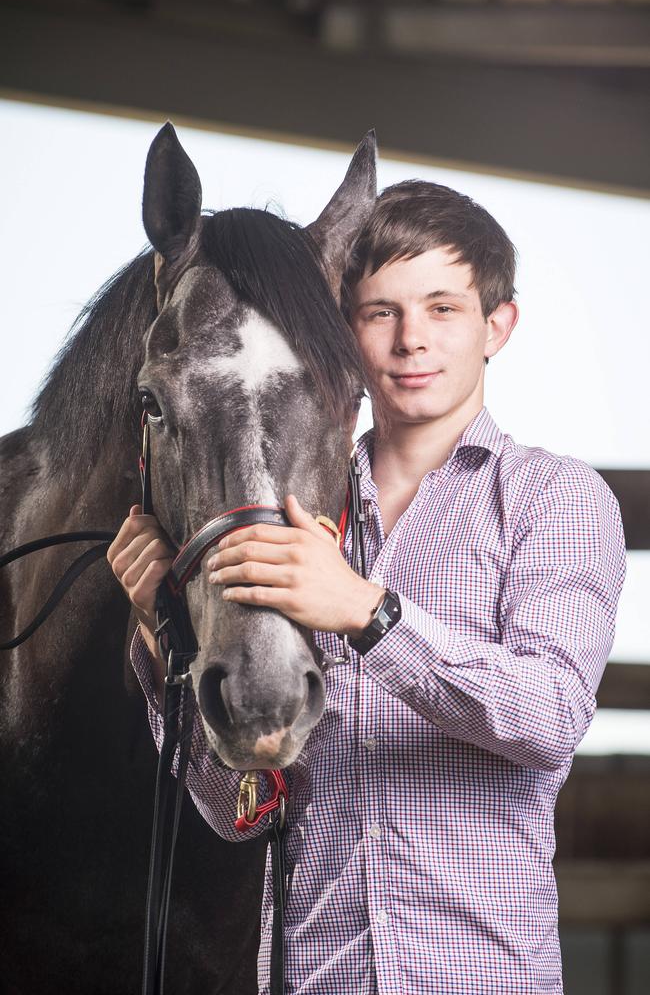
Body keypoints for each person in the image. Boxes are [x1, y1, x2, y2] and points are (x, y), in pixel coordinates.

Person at [108, 180, 627, 994]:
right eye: (381, 312)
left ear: (499, 326)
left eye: (443, 309)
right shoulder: (281, 516)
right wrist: (162, 641)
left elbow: (550, 715)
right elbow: (243, 808)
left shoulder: (554, 499)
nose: (411, 340)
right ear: (344, 331)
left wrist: (366, 612)